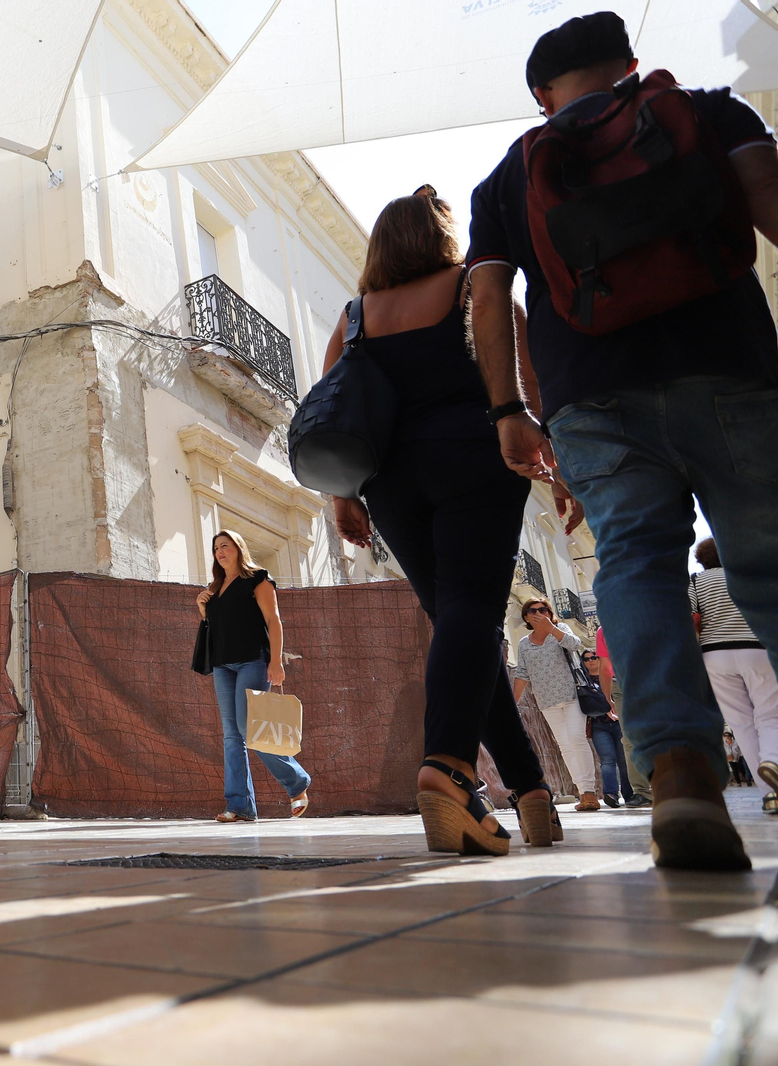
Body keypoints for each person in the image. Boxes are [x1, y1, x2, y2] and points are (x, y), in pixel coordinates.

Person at [468, 11, 778, 869]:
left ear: (542, 97)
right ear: (632, 67)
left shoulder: (508, 179)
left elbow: (490, 302)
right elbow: (771, 203)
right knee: (769, 562)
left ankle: (680, 776)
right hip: (733, 371)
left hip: (591, 402)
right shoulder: (713, 114)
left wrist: (507, 411)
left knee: (635, 564)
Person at [320, 191, 556, 856]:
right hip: (475, 457)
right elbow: (528, 379)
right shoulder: (469, 287)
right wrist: (561, 464)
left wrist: (343, 496)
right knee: (471, 616)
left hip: (391, 482)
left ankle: (531, 790)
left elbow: (333, 410)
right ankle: (448, 765)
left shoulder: (354, 316)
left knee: (462, 624)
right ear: (440, 236)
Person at [194, 530, 310, 822]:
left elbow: (273, 620)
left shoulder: (258, 579)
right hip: (223, 666)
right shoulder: (215, 587)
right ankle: (239, 806)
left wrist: (275, 661)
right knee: (232, 737)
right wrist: (203, 609)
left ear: (238, 548)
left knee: (249, 730)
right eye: (216, 548)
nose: (220, 552)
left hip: (253, 662)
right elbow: (218, 627)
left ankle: (296, 782)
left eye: (225, 546)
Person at [691, 537, 778, 812]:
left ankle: (770, 795)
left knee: (740, 724)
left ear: (702, 561)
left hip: (714, 655)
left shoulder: (695, 582)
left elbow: (692, 620)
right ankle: (773, 759)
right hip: (757, 649)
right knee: (770, 714)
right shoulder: (748, 576)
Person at [512, 599, 600, 811]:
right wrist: (512, 703)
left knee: (577, 738)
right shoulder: (524, 643)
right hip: (546, 702)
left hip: (572, 696)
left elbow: (575, 644)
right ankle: (582, 791)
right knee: (565, 746)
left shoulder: (560, 629)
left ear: (550, 613)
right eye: (533, 611)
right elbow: (522, 673)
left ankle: (590, 792)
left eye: (543, 610)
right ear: (526, 617)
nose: (538, 613)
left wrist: (550, 627)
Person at [596, 624, 651, 807]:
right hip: (620, 687)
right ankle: (642, 792)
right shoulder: (604, 630)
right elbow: (604, 666)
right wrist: (606, 698)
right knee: (629, 740)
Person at [581, 650, 626, 806]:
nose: (591, 661)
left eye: (594, 657)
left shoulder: (612, 677)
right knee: (607, 760)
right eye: (586, 659)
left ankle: (629, 794)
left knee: (624, 760)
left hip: (618, 724)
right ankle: (611, 794)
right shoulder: (582, 682)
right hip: (598, 725)